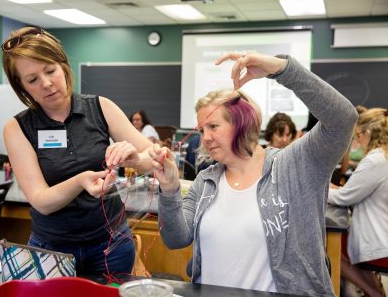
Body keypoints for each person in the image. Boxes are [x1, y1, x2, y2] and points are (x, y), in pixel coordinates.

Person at [149, 52, 358, 295]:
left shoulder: (295, 164)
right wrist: (170, 189)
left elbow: (344, 119)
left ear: (242, 123)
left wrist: (282, 69)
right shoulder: (206, 181)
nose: (205, 138)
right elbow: (176, 239)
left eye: (213, 126)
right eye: (201, 129)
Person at [1, 27, 154, 275]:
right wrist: (80, 181)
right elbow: (42, 202)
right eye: (32, 80)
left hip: (111, 247)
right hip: (52, 251)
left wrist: (136, 158)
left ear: (63, 65)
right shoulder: (17, 128)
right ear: (21, 86)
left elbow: (153, 157)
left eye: (50, 70)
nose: (47, 83)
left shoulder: (101, 107)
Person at [328, 108, 388, 297]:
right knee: (344, 247)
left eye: (358, 135)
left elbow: (345, 197)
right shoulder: (383, 156)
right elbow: (354, 192)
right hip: (382, 236)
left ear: (368, 133)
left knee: (335, 251)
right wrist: (334, 190)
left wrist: (317, 189)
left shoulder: (375, 160)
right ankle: (376, 293)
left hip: (380, 245)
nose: (357, 140)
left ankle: (375, 294)